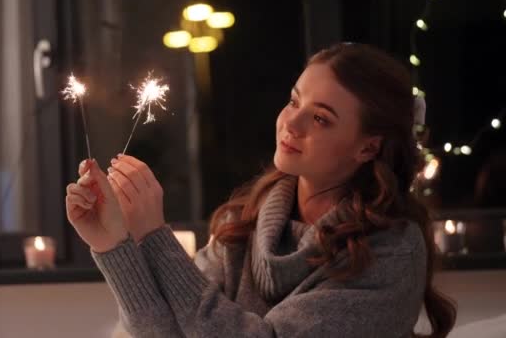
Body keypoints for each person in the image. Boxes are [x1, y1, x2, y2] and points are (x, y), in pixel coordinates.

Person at [65, 43, 457, 337]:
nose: (292, 123)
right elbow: (167, 333)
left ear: (368, 146)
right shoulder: (245, 223)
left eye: (320, 118)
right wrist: (112, 245)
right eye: (293, 101)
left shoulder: (389, 253)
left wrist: (155, 237)